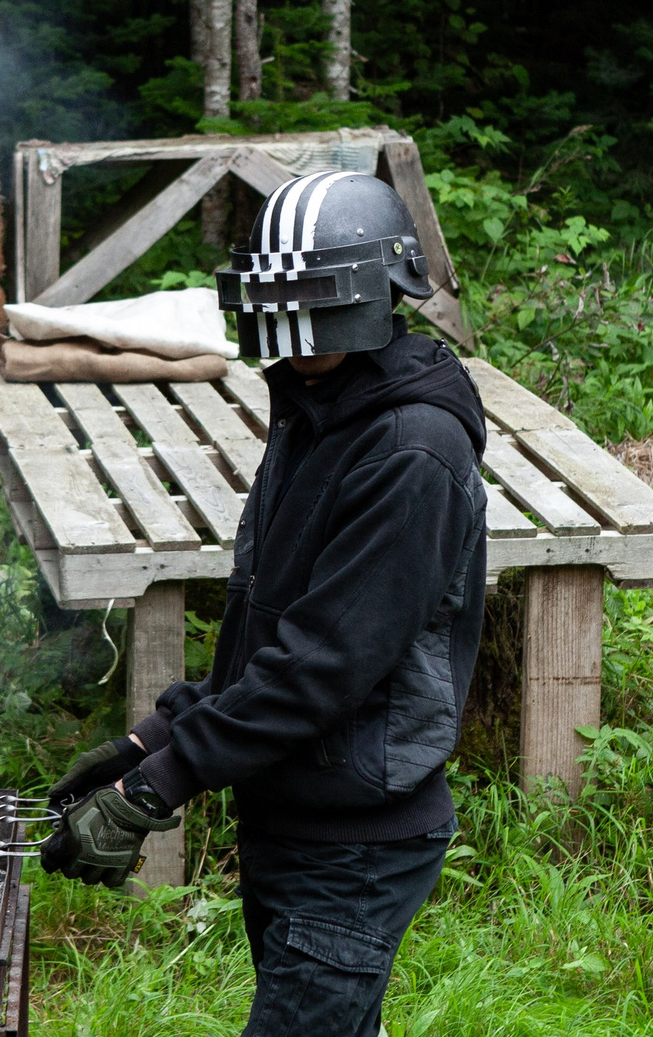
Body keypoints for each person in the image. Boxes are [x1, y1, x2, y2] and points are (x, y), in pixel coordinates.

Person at [39, 170, 488, 1037]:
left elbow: (325, 664)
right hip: (299, 811)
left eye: (304, 310)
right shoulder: (318, 405)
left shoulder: (410, 451)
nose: (280, 342)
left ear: (363, 300)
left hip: (354, 841)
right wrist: (153, 740)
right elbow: (273, 629)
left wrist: (157, 788)